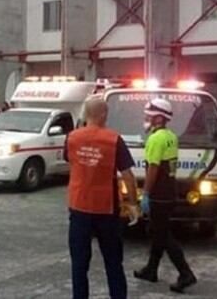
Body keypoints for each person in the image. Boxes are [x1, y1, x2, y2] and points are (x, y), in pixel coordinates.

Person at [65, 96, 137, 299]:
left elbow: (71, 161)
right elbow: (128, 175)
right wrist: (132, 204)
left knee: (79, 265)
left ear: (86, 114)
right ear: (104, 114)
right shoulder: (114, 140)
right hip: (106, 209)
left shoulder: (72, 138)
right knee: (113, 263)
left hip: (79, 208)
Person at [134, 98, 197, 293]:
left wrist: (145, 193)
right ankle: (151, 270)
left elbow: (153, 168)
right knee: (157, 232)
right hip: (169, 190)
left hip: (158, 194)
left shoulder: (155, 139)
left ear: (159, 117)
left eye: (150, 115)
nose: (146, 117)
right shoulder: (171, 136)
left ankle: (186, 274)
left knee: (163, 234)